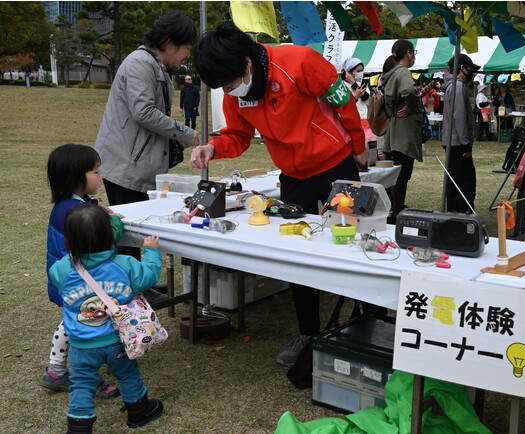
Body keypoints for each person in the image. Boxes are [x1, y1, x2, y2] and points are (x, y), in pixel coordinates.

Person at [189, 21, 369, 367]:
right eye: (223, 88)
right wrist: (214, 147)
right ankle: (308, 332)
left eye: (230, 82)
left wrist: (358, 148)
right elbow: (238, 137)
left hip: (337, 165)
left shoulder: (299, 61)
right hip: (293, 176)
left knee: (357, 242)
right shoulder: (235, 95)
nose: (229, 91)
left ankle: (367, 323)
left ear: (246, 63)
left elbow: (343, 101)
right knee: (296, 252)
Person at [95, 11, 200, 264]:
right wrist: (185, 132)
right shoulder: (140, 63)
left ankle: (143, 284)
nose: (187, 54)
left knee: (140, 230)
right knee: (127, 232)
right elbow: (143, 112)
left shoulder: (155, 65)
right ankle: (130, 290)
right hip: (125, 164)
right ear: (168, 43)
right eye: (186, 48)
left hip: (137, 164)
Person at [49, 204, 163, 434]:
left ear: (69, 239)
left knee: (82, 383)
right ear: (111, 236)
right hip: (116, 339)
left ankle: (79, 426)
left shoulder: (61, 269)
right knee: (128, 373)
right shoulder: (124, 265)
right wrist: (151, 252)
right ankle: (138, 410)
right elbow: (147, 277)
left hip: (81, 344)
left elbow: (59, 280)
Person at [40, 144, 123, 400]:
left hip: (67, 276)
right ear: (77, 177)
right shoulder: (76, 211)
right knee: (80, 325)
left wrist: (97, 211)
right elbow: (106, 240)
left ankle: (56, 370)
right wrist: (112, 222)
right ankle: (82, 376)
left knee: (72, 321)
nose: (101, 176)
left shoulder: (70, 205)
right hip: (79, 280)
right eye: (96, 171)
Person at [381, 39, 424, 221]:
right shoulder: (403, 72)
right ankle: (396, 210)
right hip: (404, 130)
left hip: (394, 130)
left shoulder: (389, 74)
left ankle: (393, 207)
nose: (414, 57)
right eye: (413, 53)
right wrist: (412, 106)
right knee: (402, 175)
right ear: (408, 53)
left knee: (395, 173)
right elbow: (408, 90)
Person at [441, 54, 481, 213]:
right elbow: (459, 117)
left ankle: (454, 214)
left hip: (454, 142)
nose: (473, 73)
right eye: (471, 69)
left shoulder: (457, 86)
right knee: (464, 183)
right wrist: (466, 145)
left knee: (454, 183)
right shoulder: (457, 87)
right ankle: (463, 216)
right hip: (458, 144)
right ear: (462, 68)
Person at [341, 57, 372, 142]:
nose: (361, 73)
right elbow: (344, 106)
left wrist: (354, 84)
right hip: (351, 123)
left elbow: (366, 97)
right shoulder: (342, 86)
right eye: (358, 71)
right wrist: (356, 96)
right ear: (349, 72)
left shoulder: (362, 84)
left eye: (362, 70)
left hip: (365, 121)